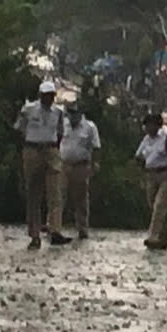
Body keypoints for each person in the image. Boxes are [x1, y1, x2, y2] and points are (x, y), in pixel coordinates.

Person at [14, 81, 72, 250]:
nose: (49, 99)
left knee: (55, 193)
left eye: (51, 96)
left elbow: (60, 132)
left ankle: (55, 230)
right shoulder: (29, 109)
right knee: (33, 193)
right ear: (40, 95)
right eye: (46, 96)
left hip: (51, 149)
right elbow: (19, 129)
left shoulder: (58, 112)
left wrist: (54, 148)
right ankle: (34, 234)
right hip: (32, 149)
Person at [135, 114, 167, 250]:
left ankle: (153, 236)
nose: (147, 128)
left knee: (159, 205)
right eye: (146, 125)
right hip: (151, 175)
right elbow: (138, 156)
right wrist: (140, 173)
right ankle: (163, 236)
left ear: (158, 125)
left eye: (150, 125)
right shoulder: (146, 139)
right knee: (152, 205)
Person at [59, 102, 101, 240]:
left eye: (74, 113)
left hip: (81, 165)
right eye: (69, 113)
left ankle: (82, 228)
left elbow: (96, 147)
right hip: (63, 164)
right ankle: (54, 226)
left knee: (81, 199)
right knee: (58, 196)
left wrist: (94, 164)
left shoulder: (90, 127)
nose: (72, 116)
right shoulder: (63, 124)